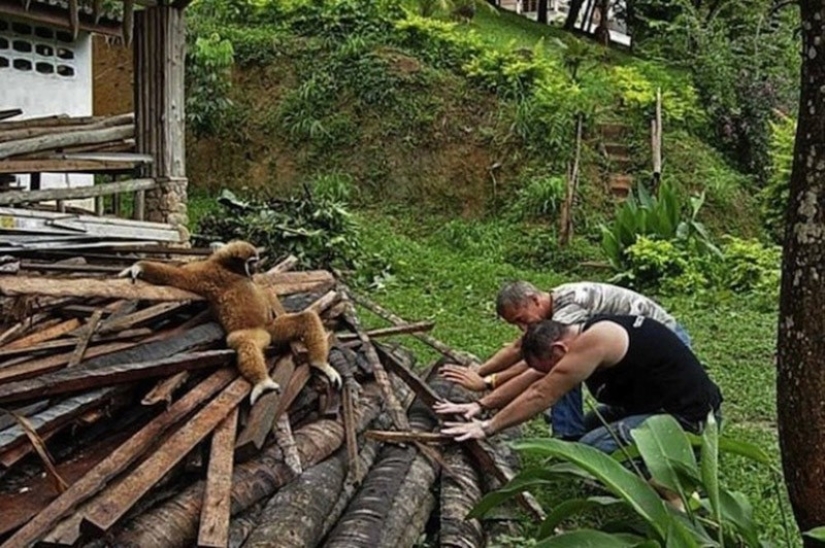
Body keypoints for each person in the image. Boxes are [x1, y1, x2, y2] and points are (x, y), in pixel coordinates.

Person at [439, 280, 692, 441]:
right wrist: (480, 374)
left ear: (534, 300)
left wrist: (487, 385)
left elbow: (540, 372)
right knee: (567, 377)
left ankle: (568, 438)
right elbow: (521, 350)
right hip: (630, 350)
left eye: (521, 319)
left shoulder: (567, 312)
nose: (521, 328)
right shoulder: (555, 309)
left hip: (665, 343)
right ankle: (575, 431)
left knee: (563, 374)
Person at [435, 315, 723, 454]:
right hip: (647, 406)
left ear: (558, 350)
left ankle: (674, 469)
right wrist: (480, 405)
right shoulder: (579, 335)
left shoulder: (598, 339)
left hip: (690, 418)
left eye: (549, 367)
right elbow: (534, 378)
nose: (549, 373)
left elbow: (542, 392)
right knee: (580, 436)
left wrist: (487, 428)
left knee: (587, 453)